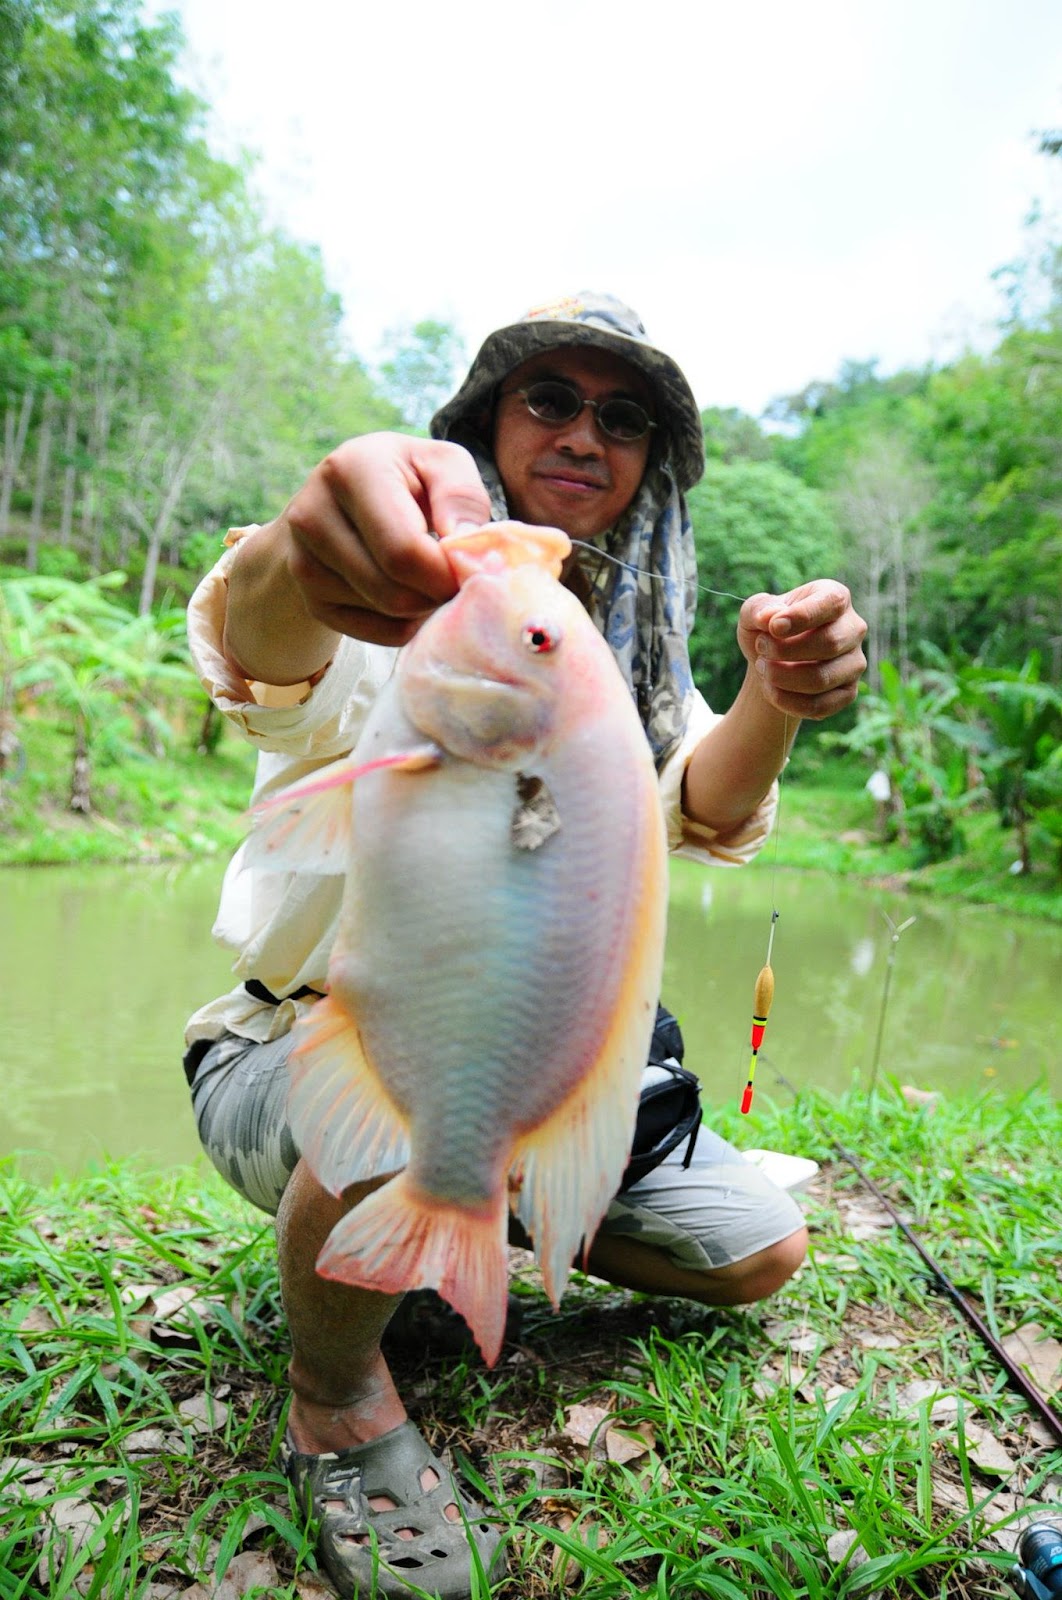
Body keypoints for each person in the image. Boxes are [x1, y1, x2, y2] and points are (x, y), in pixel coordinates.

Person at [183, 292, 868, 1599]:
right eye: (547, 398)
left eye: (621, 417)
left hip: (522, 1058)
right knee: (387, 1124)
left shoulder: (604, 670)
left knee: (758, 1250)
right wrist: (294, 556)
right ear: (484, 419)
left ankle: (477, 1227)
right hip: (297, 1057)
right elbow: (261, 649)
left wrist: (775, 697)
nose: (583, 432)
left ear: (648, 459)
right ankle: (333, 1393)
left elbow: (699, 810)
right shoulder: (405, 615)